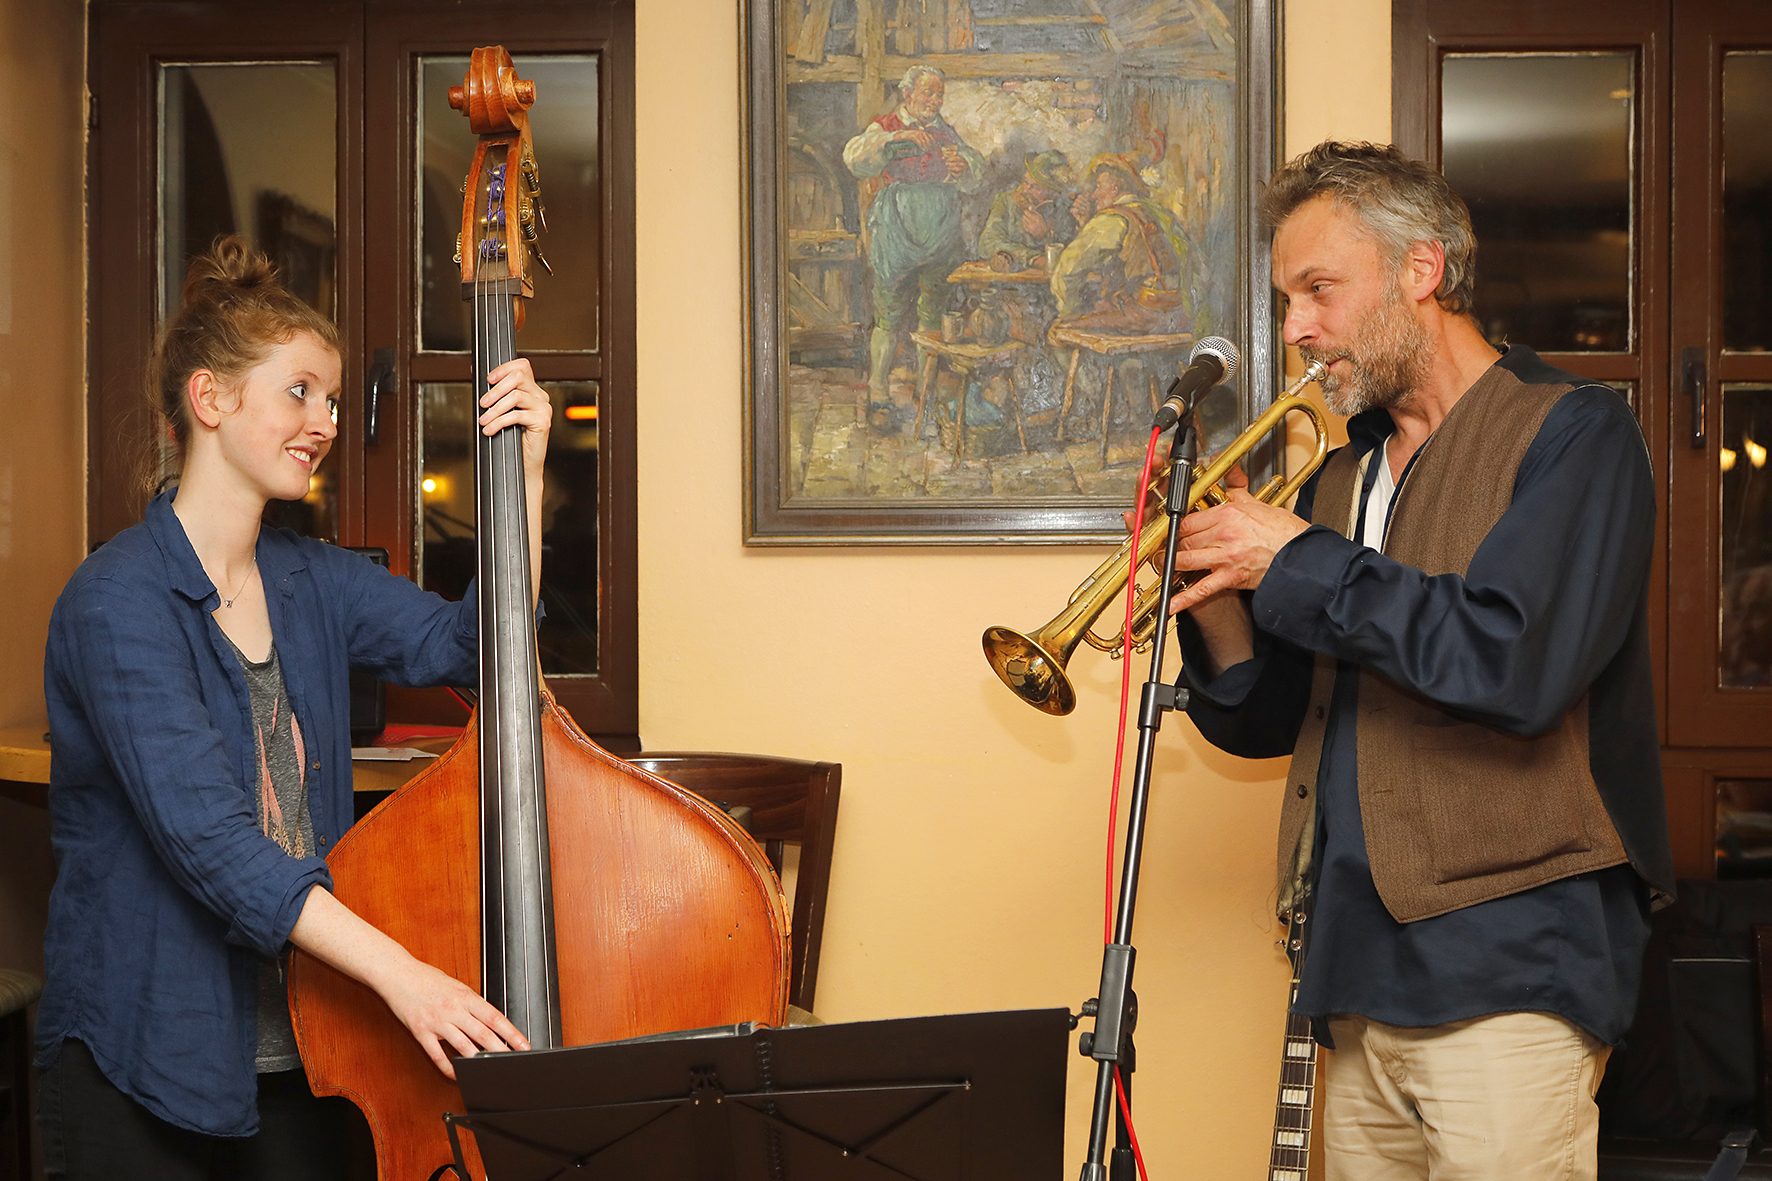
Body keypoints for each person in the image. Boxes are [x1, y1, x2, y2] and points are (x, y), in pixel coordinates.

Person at [1164, 142, 1673, 1179]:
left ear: (1418, 271)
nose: (1296, 326)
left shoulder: (1574, 435)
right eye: (1283, 299)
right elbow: (1269, 723)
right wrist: (1213, 598)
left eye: (1317, 289)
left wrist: (1296, 561)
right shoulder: (1337, 478)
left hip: (1511, 970)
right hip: (1351, 970)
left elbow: (1513, 661)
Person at [37, 238, 548, 1179]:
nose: (327, 420)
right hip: (146, 1065)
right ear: (212, 399)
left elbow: (481, 653)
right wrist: (409, 980)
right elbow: (216, 845)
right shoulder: (115, 602)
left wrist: (524, 472)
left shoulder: (312, 576)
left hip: (313, 1058)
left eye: (335, 398)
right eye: (301, 392)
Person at [842, 64, 984, 406]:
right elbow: (855, 157)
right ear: (908, 95)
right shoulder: (887, 126)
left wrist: (964, 165)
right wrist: (896, 139)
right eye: (928, 93)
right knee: (888, 311)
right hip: (897, 225)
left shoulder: (945, 132)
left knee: (932, 312)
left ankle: (926, 390)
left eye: (939, 94)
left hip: (940, 226)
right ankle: (878, 388)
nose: (934, 101)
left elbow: (975, 169)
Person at [1050, 153, 1193, 334]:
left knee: (1059, 330)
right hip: (1176, 315)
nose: (1094, 194)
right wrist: (1085, 225)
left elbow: (1068, 268)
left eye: (1099, 186)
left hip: (1141, 317)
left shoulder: (1114, 218)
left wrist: (1068, 310)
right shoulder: (1154, 212)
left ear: (1115, 188)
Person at [977, 149, 1077, 272]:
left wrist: (1046, 234)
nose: (1025, 190)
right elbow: (988, 242)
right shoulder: (1005, 201)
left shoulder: (1066, 209)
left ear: (1053, 192)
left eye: (1035, 187)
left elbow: (1073, 254)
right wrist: (1033, 258)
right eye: (1026, 182)